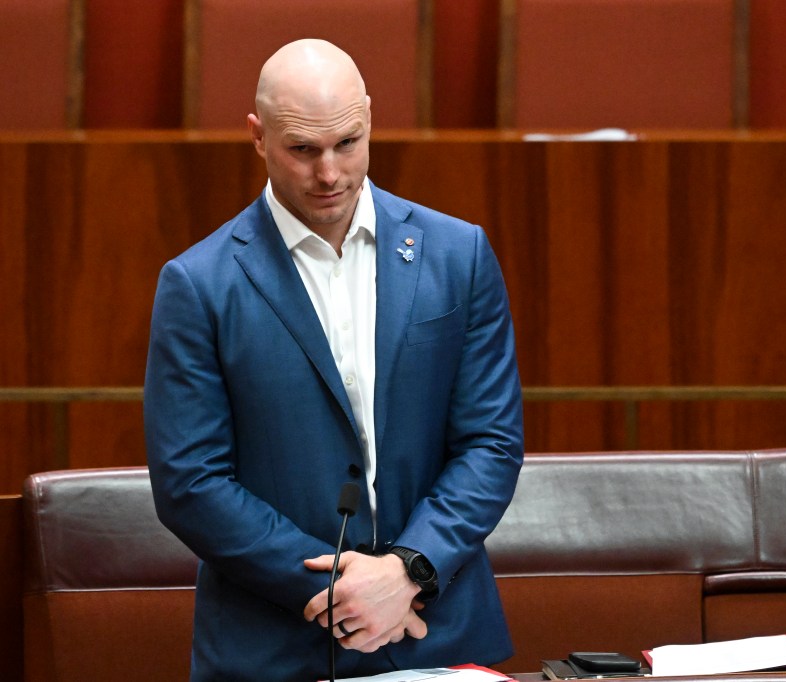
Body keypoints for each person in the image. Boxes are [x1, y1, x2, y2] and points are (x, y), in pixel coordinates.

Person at [144, 39, 524, 681]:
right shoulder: (199, 285)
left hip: (437, 632)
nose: (330, 174)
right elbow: (190, 482)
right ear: (257, 137)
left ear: (370, 120)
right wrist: (346, 594)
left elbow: (490, 442)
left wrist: (409, 570)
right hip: (273, 646)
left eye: (347, 143)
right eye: (303, 149)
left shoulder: (458, 256)